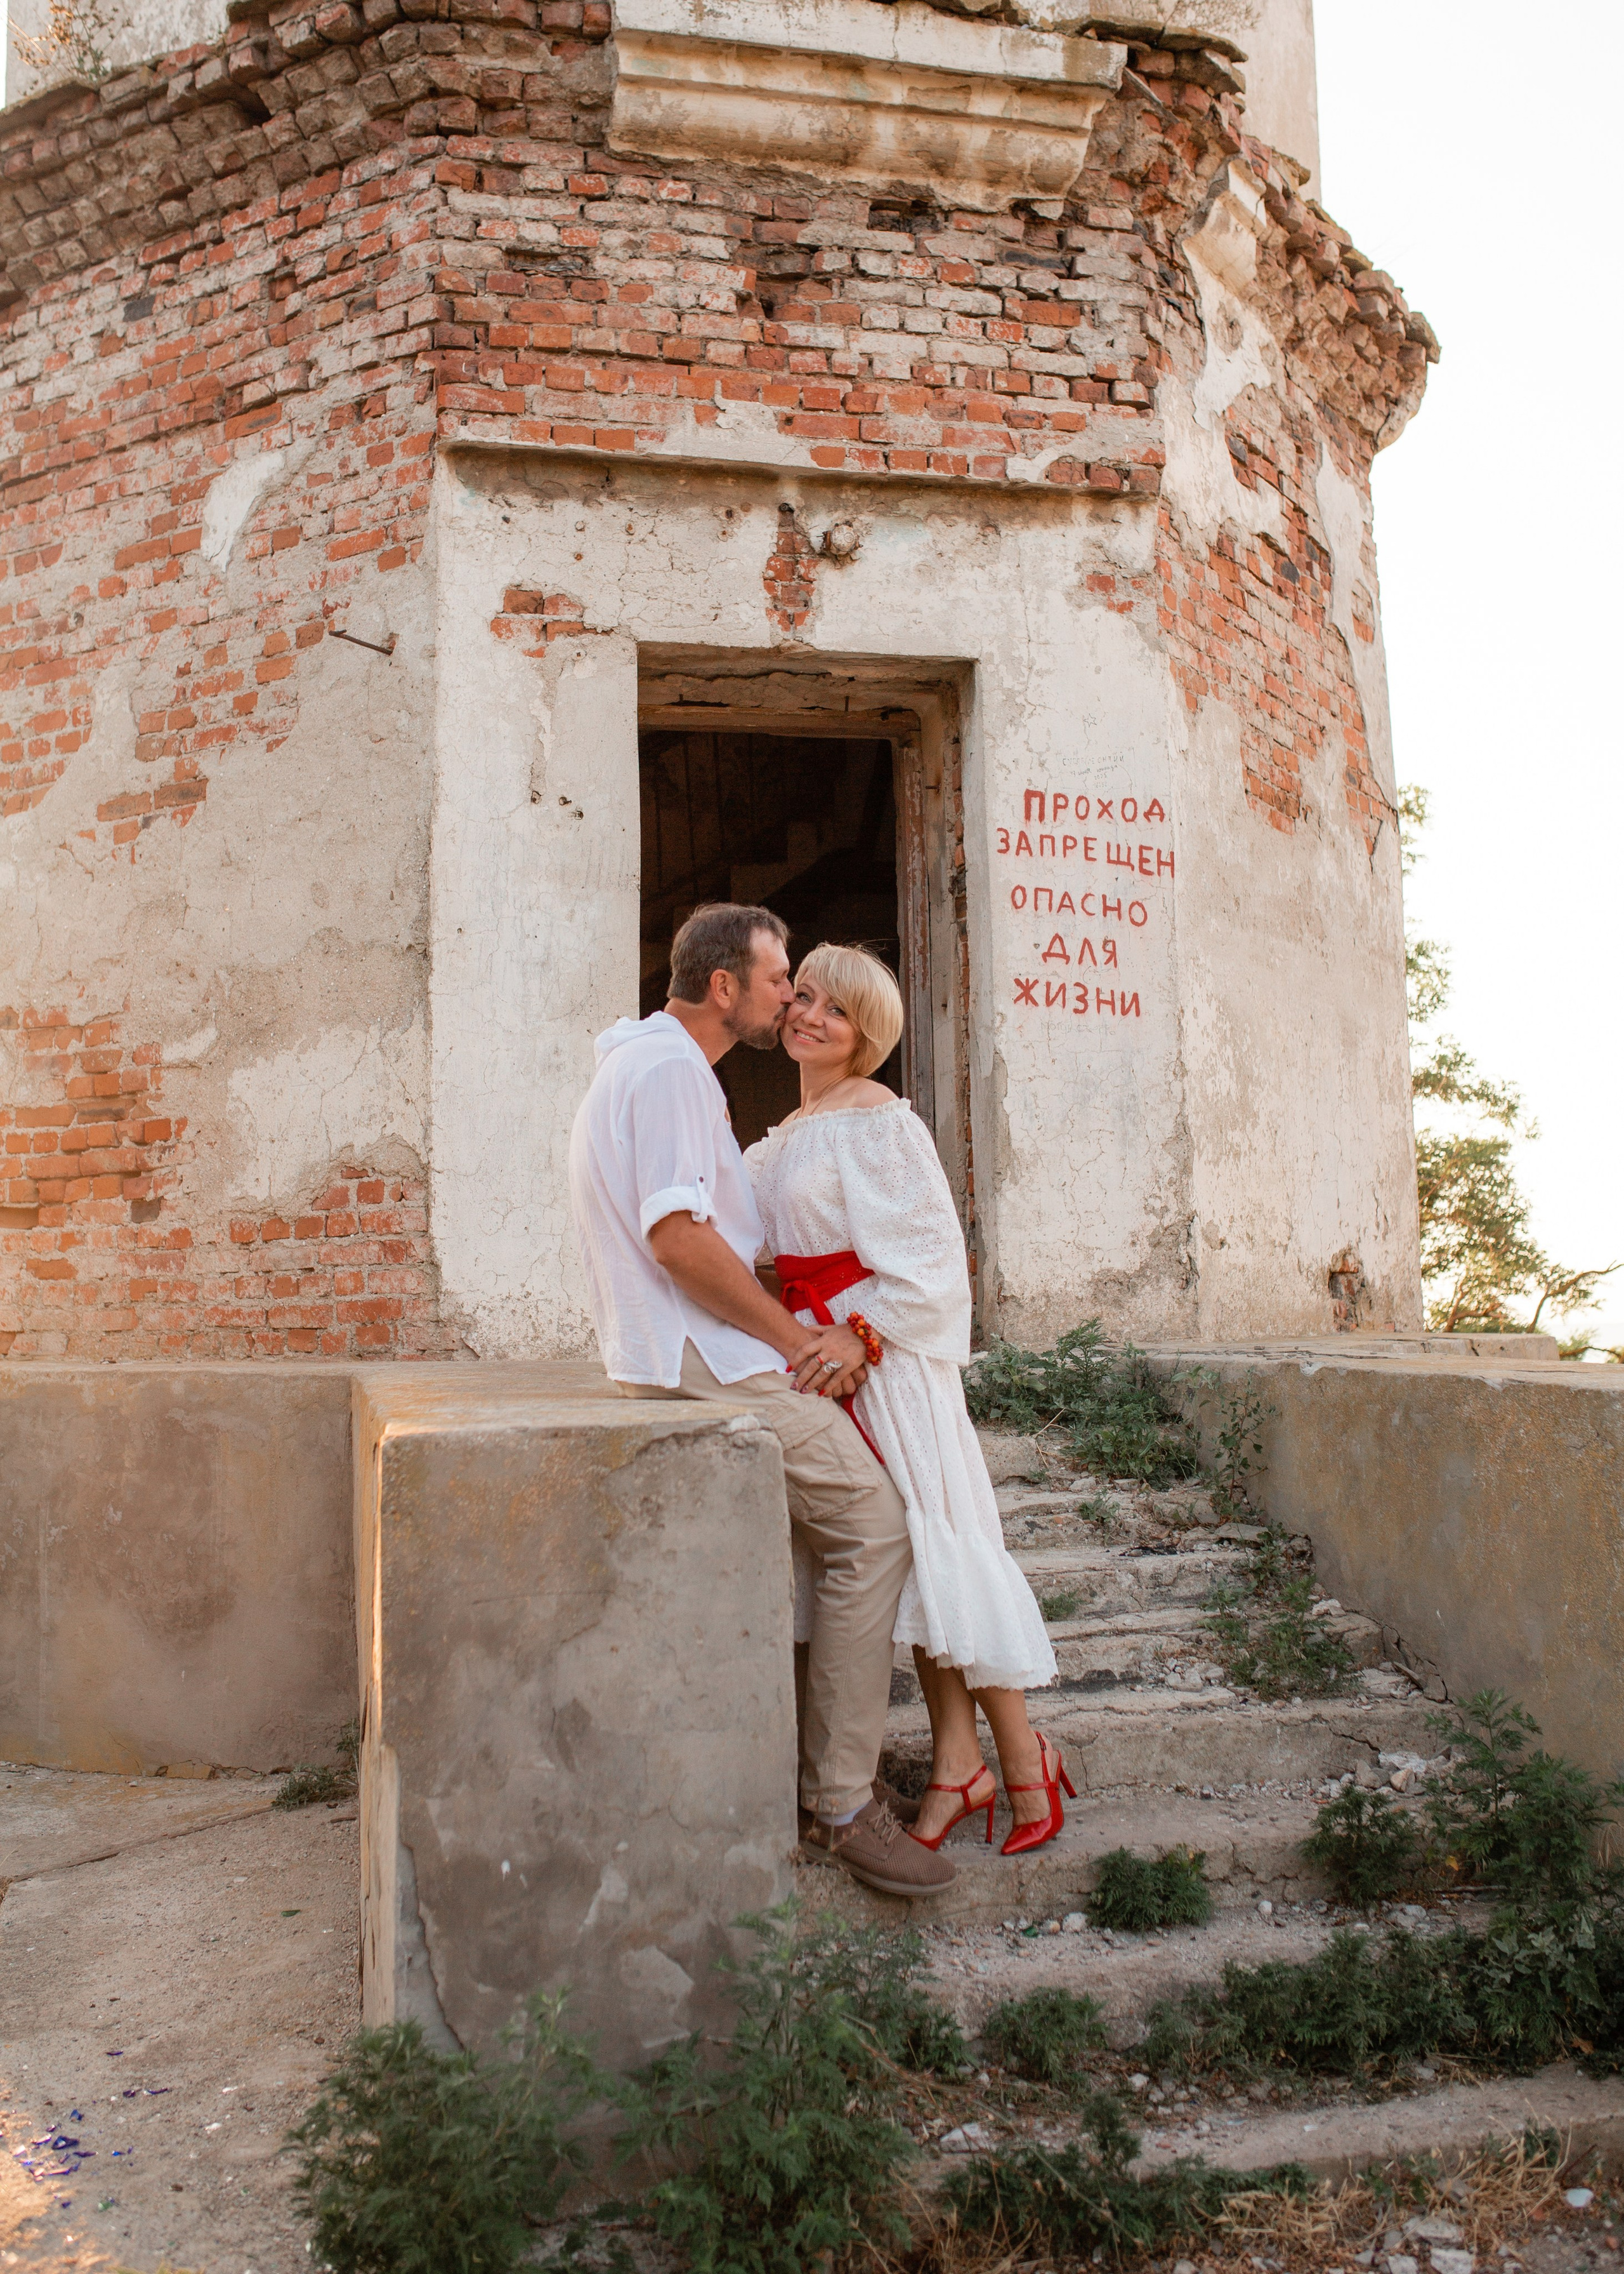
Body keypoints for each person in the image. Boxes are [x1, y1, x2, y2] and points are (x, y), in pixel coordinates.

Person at [568, 903, 956, 1900]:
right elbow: (679, 1240)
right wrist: (797, 1341)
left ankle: (814, 1778)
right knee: (873, 1522)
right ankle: (840, 1802)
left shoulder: (654, 1065)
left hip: (696, 1347)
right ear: (726, 987)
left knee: (831, 1533)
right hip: (707, 1354)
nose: (792, 997)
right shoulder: (666, 1074)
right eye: (781, 977)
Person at [745, 942, 1071, 1856]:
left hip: (886, 1364)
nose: (810, 1015)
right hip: (814, 1360)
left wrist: (863, 1334)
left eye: (836, 1011)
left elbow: (935, 1263)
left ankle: (1017, 1760)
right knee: (912, 1564)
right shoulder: (784, 1134)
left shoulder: (880, 1119)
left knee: (941, 1547)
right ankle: (965, 1763)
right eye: (804, 997)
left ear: (866, 1035)